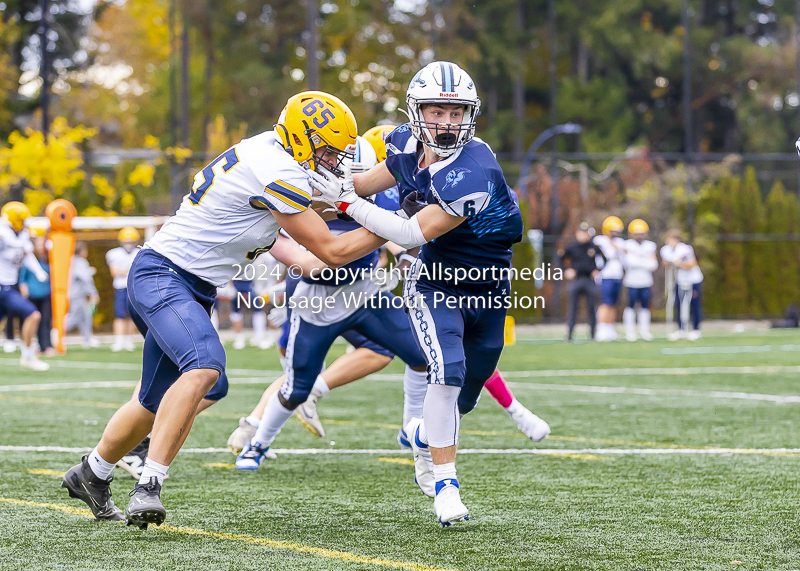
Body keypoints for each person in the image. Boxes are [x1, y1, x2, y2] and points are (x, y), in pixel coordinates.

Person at [61, 90, 386, 529]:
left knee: (158, 398)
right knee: (205, 367)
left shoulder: (272, 160)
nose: (334, 160)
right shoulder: (277, 170)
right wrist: (405, 224)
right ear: (304, 139)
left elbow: (312, 252)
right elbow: (331, 247)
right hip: (163, 275)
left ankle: (91, 473)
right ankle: (149, 485)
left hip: (186, 284)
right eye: (328, 150)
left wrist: (387, 205)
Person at [309, 61, 524, 526]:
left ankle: (420, 431)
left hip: (487, 290)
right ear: (416, 110)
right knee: (445, 373)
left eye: (456, 112)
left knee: (464, 397)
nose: (447, 122)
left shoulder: (474, 170)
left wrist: (345, 203)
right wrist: (319, 192)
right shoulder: (405, 141)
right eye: (436, 111)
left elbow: (407, 233)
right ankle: (446, 486)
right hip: (435, 283)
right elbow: (367, 182)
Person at [234, 134, 432, 471]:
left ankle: (409, 427)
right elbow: (312, 262)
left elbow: (407, 240)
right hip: (316, 300)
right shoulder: (303, 194)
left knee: (422, 357)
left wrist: (403, 261)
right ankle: (257, 443)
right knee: (297, 389)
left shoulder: (381, 192)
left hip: (365, 292)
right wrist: (397, 229)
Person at [0, 202, 50, 371]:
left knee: (33, 315)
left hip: (9, 288)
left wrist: (38, 272)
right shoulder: (2, 233)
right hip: (2, 286)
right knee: (33, 315)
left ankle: (28, 356)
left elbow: (27, 255)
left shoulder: (20, 235)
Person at [559, 222, 601, 342]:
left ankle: (593, 335)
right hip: (576, 280)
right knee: (572, 308)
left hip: (589, 280)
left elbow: (604, 259)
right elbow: (561, 259)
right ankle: (569, 335)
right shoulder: (572, 246)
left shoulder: (593, 247)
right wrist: (566, 270)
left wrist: (597, 270)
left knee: (591, 308)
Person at [661, 229, 703, 341]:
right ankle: (681, 329)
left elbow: (692, 263)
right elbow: (665, 262)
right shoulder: (666, 250)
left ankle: (695, 329)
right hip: (680, 280)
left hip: (692, 280)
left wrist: (681, 264)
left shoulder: (685, 249)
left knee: (693, 304)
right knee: (678, 303)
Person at [18, 227, 54, 355]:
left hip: (46, 294)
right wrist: (23, 291)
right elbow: (23, 278)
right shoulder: (29, 259)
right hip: (32, 294)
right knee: (33, 319)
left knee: (45, 320)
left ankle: (46, 346)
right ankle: (31, 346)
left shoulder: (50, 259)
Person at [622, 219, 658, 342]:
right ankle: (630, 331)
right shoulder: (627, 244)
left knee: (645, 306)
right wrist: (644, 262)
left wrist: (637, 261)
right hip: (631, 280)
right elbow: (627, 262)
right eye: (636, 233)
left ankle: (644, 331)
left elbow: (653, 264)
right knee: (630, 306)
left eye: (641, 233)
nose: (639, 235)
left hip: (646, 280)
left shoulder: (650, 245)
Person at [106, 227, 140, 351]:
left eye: (131, 241)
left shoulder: (139, 253)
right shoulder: (114, 253)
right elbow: (114, 272)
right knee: (119, 315)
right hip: (120, 287)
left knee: (132, 315)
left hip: (134, 288)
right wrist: (130, 271)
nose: (129, 244)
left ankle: (128, 340)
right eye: (126, 241)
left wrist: (125, 271)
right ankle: (119, 340)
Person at [593, 216, 625, 341]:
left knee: (613, 304)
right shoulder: (600, 240)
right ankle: (601, 329)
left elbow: (623, 256)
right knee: (605, 303)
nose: (615, 233)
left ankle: (610, 328)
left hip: (617, 275)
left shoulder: (620, 242)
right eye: (613, 230)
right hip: (605, 275)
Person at [66, 241, 100, 348]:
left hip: (73, 293)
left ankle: (87, 338)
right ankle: (57, 332)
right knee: (75, 316)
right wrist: (93, 293)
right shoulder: (80, 262)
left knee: (85, 316)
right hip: (76, 294)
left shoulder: (70, 261)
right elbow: (85, 278)